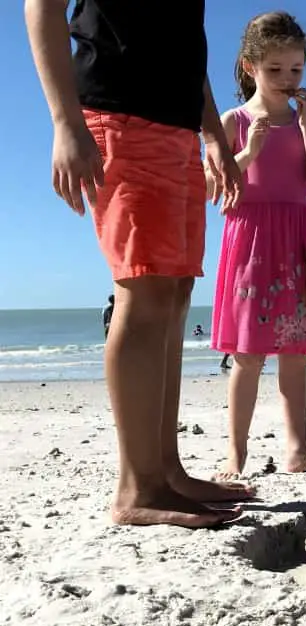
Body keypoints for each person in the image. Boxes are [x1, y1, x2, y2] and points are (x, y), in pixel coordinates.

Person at [25, 0, 252, 528]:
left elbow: (184, 41)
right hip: (118, 114)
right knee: (144, 290)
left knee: (173, 296)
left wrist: (213, 134)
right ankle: (136, 486)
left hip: (176, 126)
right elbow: (42, 7)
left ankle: (166, 470)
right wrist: (65, 123)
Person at [210, 12, 306, 479]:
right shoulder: (233, 121)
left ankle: (298, 448)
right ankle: (236, 453)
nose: (287, 80)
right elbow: (217, 192)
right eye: (275, 70)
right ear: (250, 67)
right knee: (248, 354)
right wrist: (245, 155)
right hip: (251, 242)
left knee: (296, 350)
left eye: (295, 69)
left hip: (299, 243)